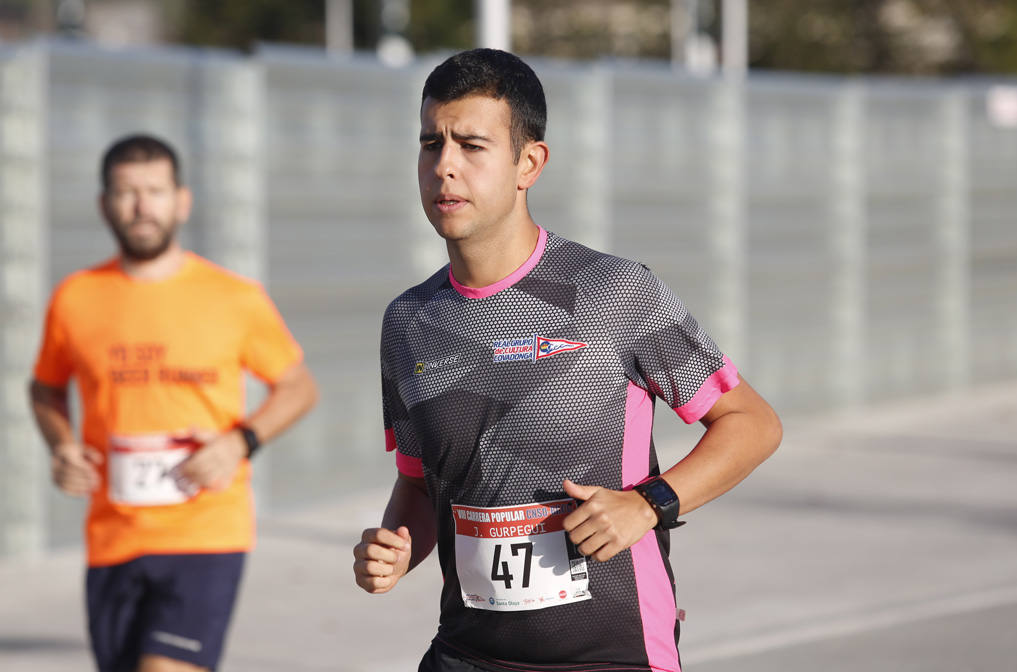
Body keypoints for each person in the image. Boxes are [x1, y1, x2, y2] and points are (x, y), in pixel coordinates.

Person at [352, 48, 783, 672]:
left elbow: (752, 423)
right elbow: (419, 487)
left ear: (530, 162)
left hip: (612, 655)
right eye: (430, 143)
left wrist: (648, 504)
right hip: (467, 654)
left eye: (472, 145)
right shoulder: (410, 322)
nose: (445, 167)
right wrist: (395, 549)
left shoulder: (613, 293)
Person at [29, 133, 319, 672]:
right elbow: (45, 386)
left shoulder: (234, 297)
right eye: (126, 192)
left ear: (181, 201)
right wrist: (62, 446)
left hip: (206, 532)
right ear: (104, 204)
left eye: (155, 191)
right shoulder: (76, 298)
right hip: (112, 538)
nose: (142, 206)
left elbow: (299, 386)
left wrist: (241, 440)